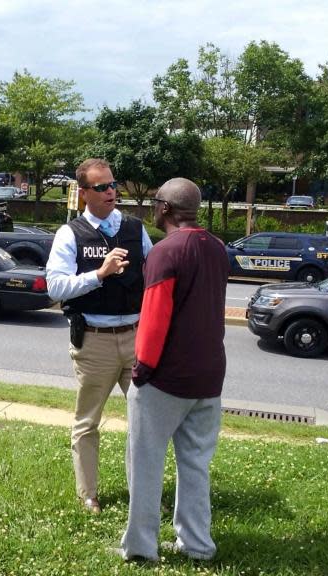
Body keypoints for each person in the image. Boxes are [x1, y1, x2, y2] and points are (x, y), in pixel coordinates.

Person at [118, 178, 229, 562]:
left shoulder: (166, 252)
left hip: (166, 378)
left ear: (165, 208)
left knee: (145, 464)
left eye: (155, 203)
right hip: (209, 376)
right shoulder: (217, 248)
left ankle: (140, 549)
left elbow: (154, 317)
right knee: (196, 465)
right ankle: (198, 545)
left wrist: (142, 369)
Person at [46, 158, 153, 514]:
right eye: (102, 187)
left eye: (113, 185)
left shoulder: (135, 229)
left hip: (137, 337)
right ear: (84, 193)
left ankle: (144, 493)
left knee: (146, 419)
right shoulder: (71, 234)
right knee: (88, 421)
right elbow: (55, 286)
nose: (111, 192)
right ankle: (88, 494)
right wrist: (100, 273)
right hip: (95, 340)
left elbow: (153, 275)